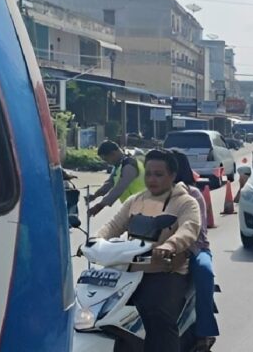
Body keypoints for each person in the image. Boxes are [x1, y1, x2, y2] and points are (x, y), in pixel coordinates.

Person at [94, 149, 202, 352]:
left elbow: (190, 228)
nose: (152, 179)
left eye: (159, 174)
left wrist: (169, 245)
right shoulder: (136, 200)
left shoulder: (186, 202)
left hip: (166, 270)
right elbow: (113, 225)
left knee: (156, 314)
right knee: (98, 310)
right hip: (130, 269)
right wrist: (95, 241)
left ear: (172, 176)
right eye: (149, 174)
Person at [169, 150, 219, 352]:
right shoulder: (151, 196)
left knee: (204, 274)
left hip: (195, 249)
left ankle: (204, 333)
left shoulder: (193, 194)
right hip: (159, 250)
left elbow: (195, 230)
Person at [87, 140, 145, 217]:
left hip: (143, 205)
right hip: (133, 206)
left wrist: (100, 205)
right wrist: (95, 195)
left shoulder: (129, 165)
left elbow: (120, 188)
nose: (107, 163)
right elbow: (109, 183)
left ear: (113, 154)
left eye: (106, 159)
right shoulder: (118, 166)